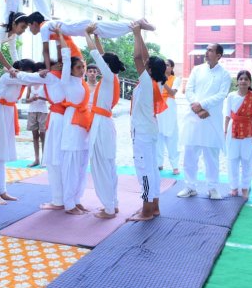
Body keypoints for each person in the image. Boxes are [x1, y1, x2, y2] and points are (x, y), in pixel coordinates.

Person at [177, 44, 231, 200]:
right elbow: (189, 90)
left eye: (210, 50)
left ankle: (212, 187)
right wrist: (197, 107)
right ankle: (190, 186)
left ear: (219, 55)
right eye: (206, 50)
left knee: (211, 156)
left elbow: (221, 95)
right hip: (194, 117)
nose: (207, 52)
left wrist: (203, 105)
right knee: (190, 154)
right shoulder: (197, 69)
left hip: (211, 119)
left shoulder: (225, 74)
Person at [0, 58, 37, 205]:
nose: (30, 75)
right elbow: (28, 77)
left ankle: (2, 191)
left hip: (6, 114)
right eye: (29, 72)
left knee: (1, 156)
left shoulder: (19, 79)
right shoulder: (9, 77)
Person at [128, 22, 169, 221]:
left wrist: (136, 33)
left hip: (143, 133)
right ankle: (154, 207)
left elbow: (138, 57)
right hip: (149, 131)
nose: (143, 65)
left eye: (147, 65)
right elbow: (144, 58)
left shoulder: (146, 82)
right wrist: (140, 33)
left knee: (144, 171)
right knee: (152, 169)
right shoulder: (158, 82)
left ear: (149, 69)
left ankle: (146, 210)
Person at [85, 25, 124, 219]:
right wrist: (95, 36)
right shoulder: (112, 77)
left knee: (101, 165)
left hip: (102, 123)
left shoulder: (109, 77)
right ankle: (112, 204)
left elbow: (96, 54)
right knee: (108, 165)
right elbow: (101, 54)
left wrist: (86, 34)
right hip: (104, 123)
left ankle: (109, 207)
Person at [54, 27, 92, 215]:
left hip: (83, 126)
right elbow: (67, 57)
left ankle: (77, 199)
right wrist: (61, 36)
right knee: (70, 165)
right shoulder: (66, 81)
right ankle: (69, 204)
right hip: (71, 124)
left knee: (81, 165)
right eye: (79, 67)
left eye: (83, 66)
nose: (82, 69)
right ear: (70, 70)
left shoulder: (84, 84)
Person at [27, 15, 156, 70]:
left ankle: (137, 22)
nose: (29, 30)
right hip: (77, 27)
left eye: (29, 27)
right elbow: (59, 46)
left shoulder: (44, 28)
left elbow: (46, 51)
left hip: (78, 26)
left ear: (34, 24)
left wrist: (48, 69)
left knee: (106, 30)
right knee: (105, 31)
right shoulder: (49, 27)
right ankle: (136, 23)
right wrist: (58, 64)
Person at [224, 70, 252, 201]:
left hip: (248, 132)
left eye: (246, 79)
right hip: (232, 130)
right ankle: (233, 187)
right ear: (237, 81)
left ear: (250, 82)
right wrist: (225, 132)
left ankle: (245, 187)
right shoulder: (231, 96)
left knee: (247, 160)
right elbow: (228, 115)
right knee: (232, 159)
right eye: (241, 79)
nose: (243, 81)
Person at [35, 57, 67, 211]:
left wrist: (13, 71)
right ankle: (67, 199)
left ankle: (58, 200)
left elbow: (27, 77)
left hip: (58, 119)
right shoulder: (72, 79)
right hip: (66, 118)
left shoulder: (53, 77)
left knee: (55, 159)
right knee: (63, 160)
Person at [156, 59, 180, 174]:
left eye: (167, 65)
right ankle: (159, 163)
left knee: (171, 137)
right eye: (164, 65)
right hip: (158, 108)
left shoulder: (176, 79)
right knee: (158, 137)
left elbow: (172, 93)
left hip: (169, 108)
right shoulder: (157, 79)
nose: (165, 67)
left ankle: (175, 165)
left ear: (172, 67)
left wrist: (163, 81)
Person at [24, 62, 48, 167]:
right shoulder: (31, 84)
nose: (40, 72)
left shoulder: (46, 84)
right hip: (32, 111)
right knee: (34, 136)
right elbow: (26, 100)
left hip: (43, 111)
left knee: (43, 136)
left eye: (42, 69)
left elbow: (50, 98)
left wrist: (40, 98)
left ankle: (45, 159)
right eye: (38, 70)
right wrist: (32, 99)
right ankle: (36, 159)